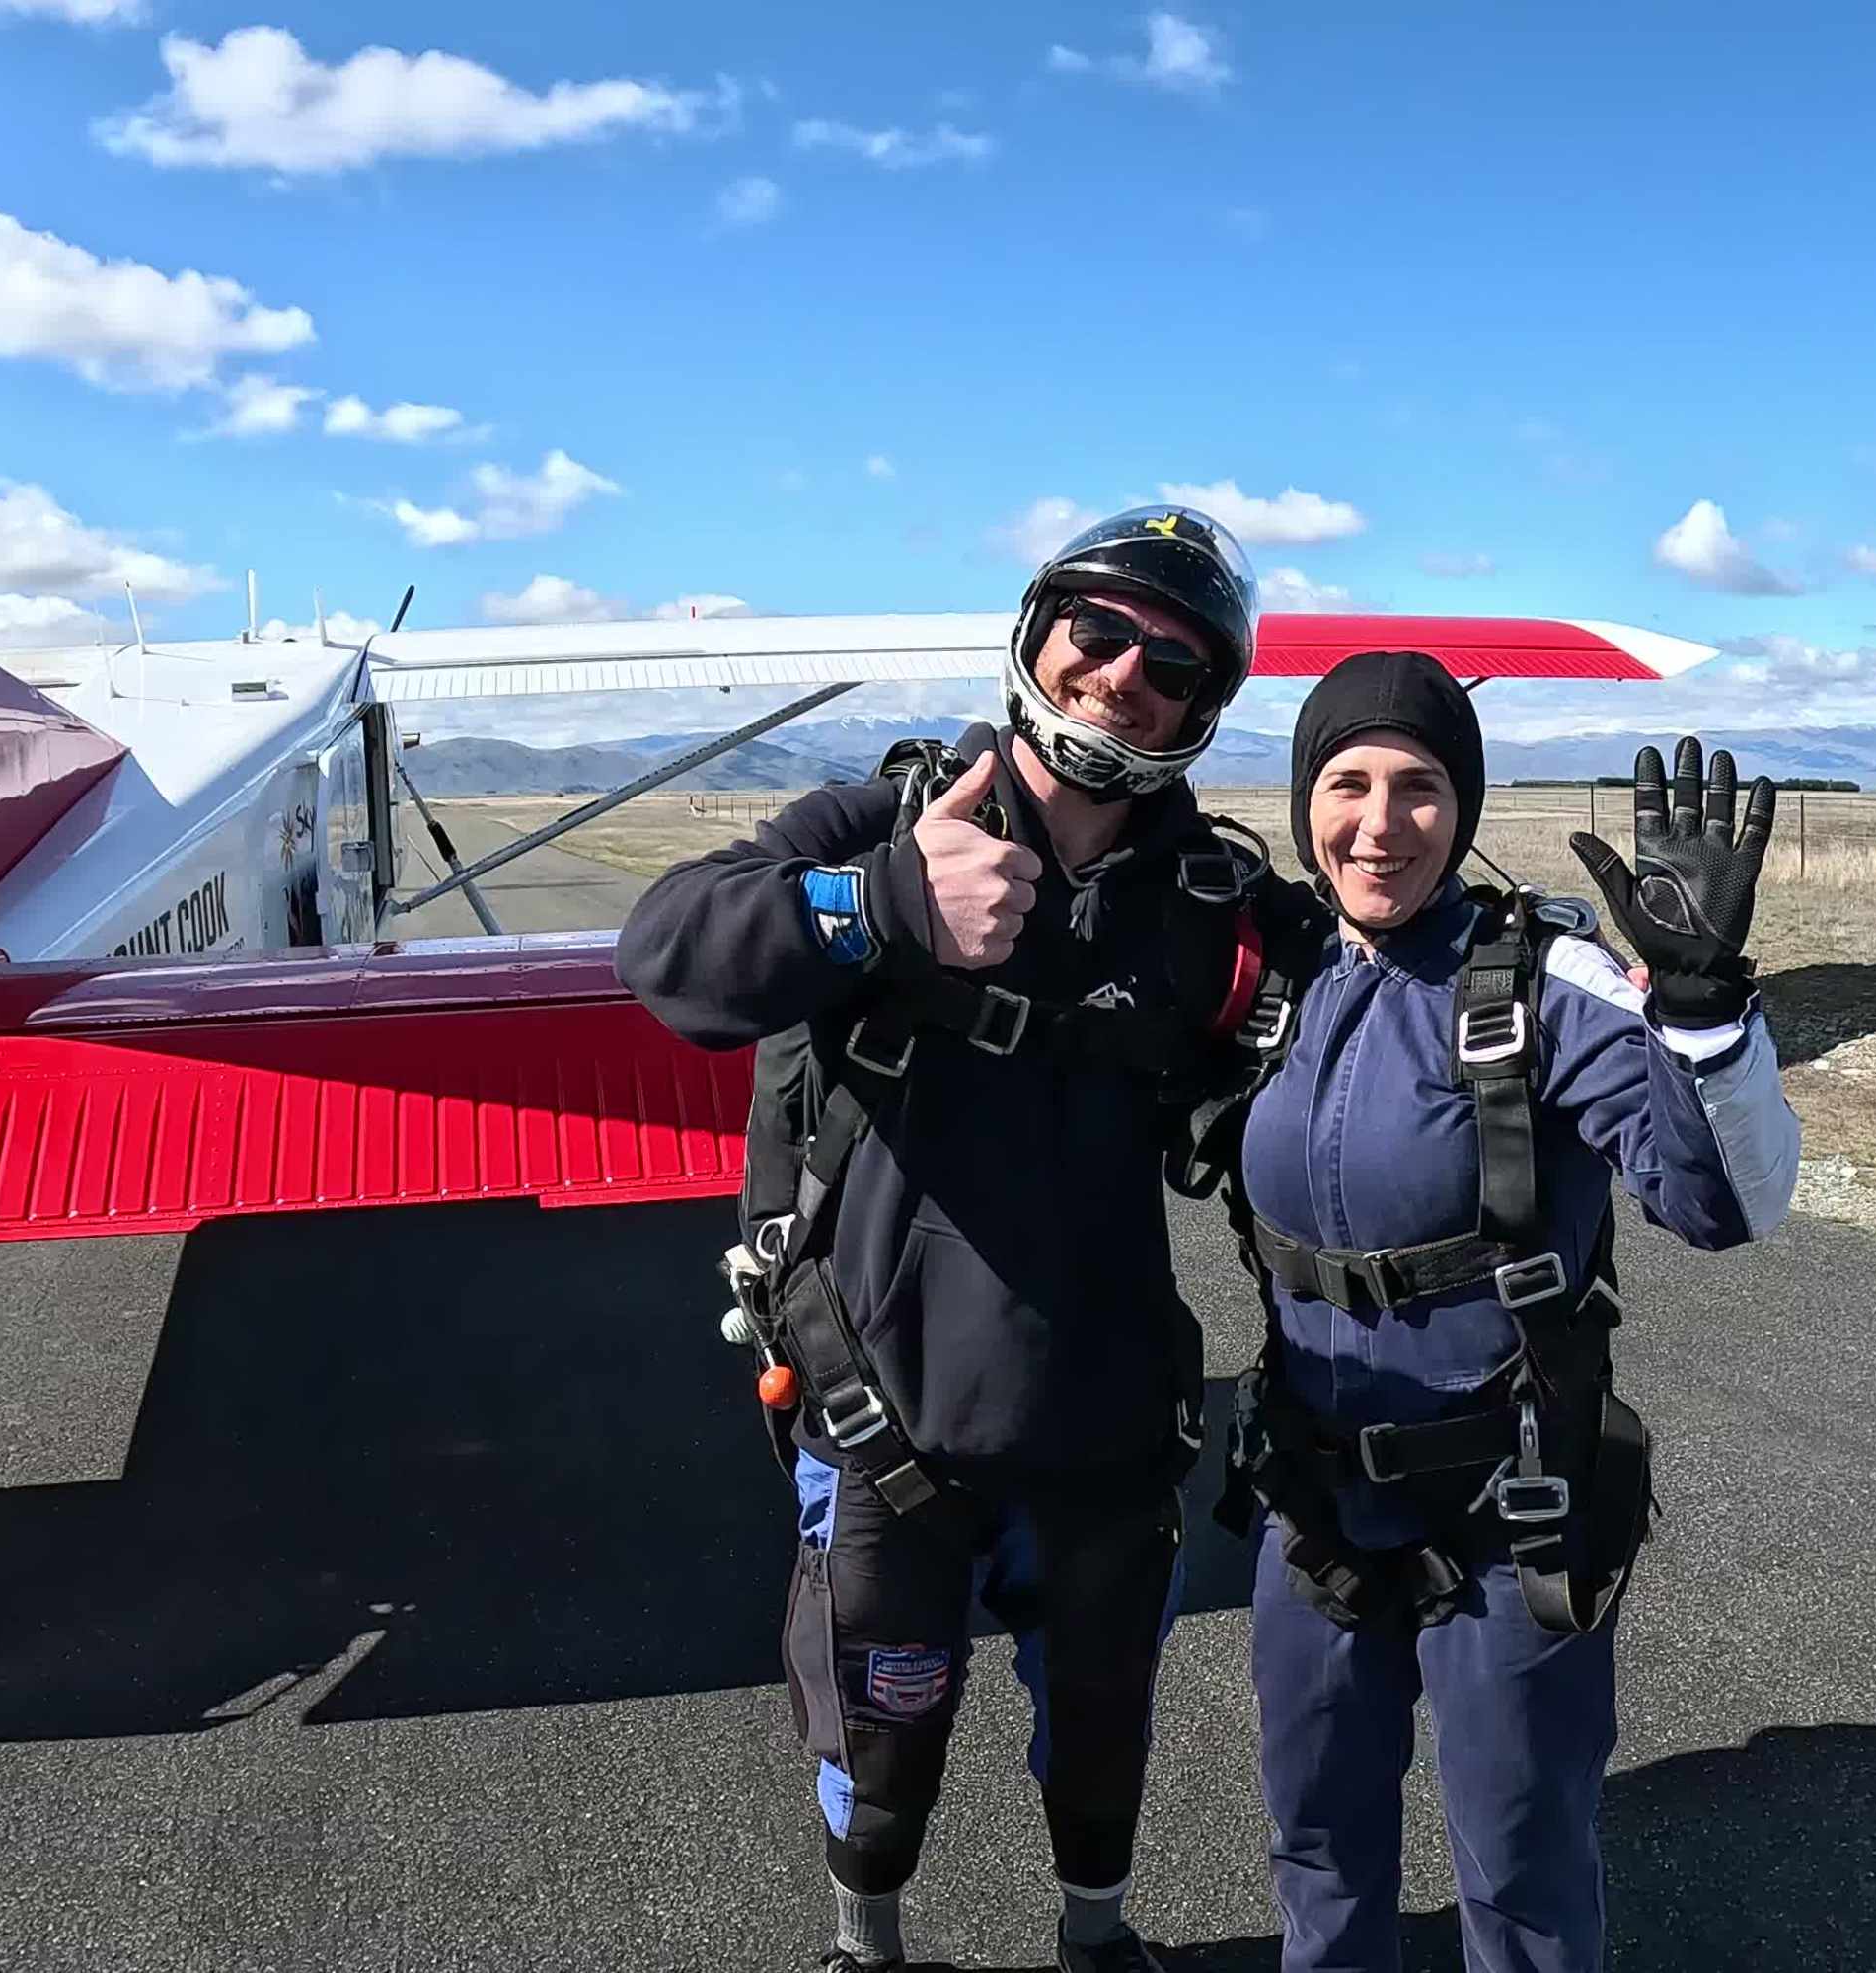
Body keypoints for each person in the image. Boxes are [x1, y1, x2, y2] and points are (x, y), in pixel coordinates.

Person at [618, 505, 1284, 1973]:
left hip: (1105, 1421)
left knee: (1103, 1730)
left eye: (1172, 663)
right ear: (1040, 635)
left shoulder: (1210, 900)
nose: (1123, 675)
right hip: (885, 1413)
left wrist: (1621, 996)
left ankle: (1097, 1942)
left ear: (1204, 706)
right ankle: (867, 1946)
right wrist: (884, 906)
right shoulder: (883, 823)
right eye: (1098, 632)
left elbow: (1390, 987)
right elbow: (666, 950)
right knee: (880, 1748)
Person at [1203, 649, 1802, 1973]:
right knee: (1316, 1843)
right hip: (1312, 1503)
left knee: (1520, 1868)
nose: (1381, 823)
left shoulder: (1539, 980)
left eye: (1419, 786)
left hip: (1507, 1516)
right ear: (1303, 802)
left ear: (1463, 806)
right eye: (1348, 784)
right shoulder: (1277, 980)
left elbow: (1722, 1204)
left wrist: (1702, 1014)